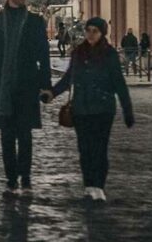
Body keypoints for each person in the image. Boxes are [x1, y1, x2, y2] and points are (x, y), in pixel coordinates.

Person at [0, 0, 52, 196]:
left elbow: (43, 57)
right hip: (2, 87)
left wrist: (46, 85)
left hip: (27, 86)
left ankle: (26, 179)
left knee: (25, 136)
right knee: (7, 137)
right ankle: (11, 180)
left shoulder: (35, 22)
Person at [51, 17, 134, 202]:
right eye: (88, 30)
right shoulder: (78, 53)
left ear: (102, 33)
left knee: (100, 148)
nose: (90, 34)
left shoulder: (110, 54)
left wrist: (127, 110)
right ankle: (89, 185)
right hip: (81, 108)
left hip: (103, 109)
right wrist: (52, 93)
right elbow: (68, 79)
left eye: (94, 31)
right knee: (84, 149)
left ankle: (98, 185)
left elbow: (119, 83)